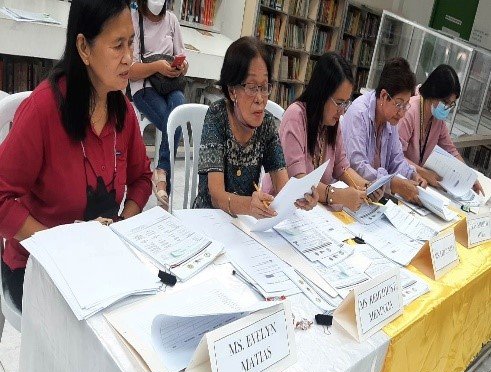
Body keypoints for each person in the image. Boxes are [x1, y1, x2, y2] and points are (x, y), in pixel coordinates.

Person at [0, 0, 152, 310]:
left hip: (99, 259)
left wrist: (122, 224)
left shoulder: (123, 111)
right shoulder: (43, 110)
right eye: (118, 45)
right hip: (37, 263)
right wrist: (60, 246)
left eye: (131, 43)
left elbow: (141, 178)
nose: (129, 57)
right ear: (84, 47)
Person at [193, 36, 318, 218]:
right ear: (232, 91)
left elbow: (282, 186)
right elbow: (216, 196)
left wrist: (300, 197)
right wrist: (248, 205)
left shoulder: (266, 124)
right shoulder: (217, 116)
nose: (260, 98)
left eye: (264, 87)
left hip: (244, 222)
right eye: (251, 87)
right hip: (209, 218)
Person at [262, 52, 383, 211]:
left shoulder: (332, 123)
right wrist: (337, 195)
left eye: (346, 103)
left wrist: (366, 187)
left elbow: (342, 167)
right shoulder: (295, 116)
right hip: (281, 207)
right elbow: (299, 181)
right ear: (321, 94)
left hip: (314, 210)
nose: (342, 111)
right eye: (339, 102)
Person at [342, 57, 427, 204]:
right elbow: (357, 165)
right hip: (350, 195)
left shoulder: (390, 119)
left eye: (406, 105)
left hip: (374, 198)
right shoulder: (359, 114)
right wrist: (393, 184)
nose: (402, 113)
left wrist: (412, 175)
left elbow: (396, 160)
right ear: (383, 96)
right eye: (399, 104)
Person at [129, 0, 188, 209]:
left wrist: (180, 67)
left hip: (170, 85)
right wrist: (157, 67)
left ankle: (161, 172)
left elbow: (184, 59)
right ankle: (164, 190)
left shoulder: (172, 20)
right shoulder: (134, 20)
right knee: (174, 123)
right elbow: (129, 70)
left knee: (178, 110)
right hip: (144, 87)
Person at [397, 64, 483, 194]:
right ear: (433, 93)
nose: (447, 107)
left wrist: (469, 177)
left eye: (451, 104)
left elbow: (451, 150)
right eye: (445, 102)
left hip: (419, 182)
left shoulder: (437, 119)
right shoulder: (409, 112)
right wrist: (424, 173)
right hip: (401, 180)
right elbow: (396, 157)